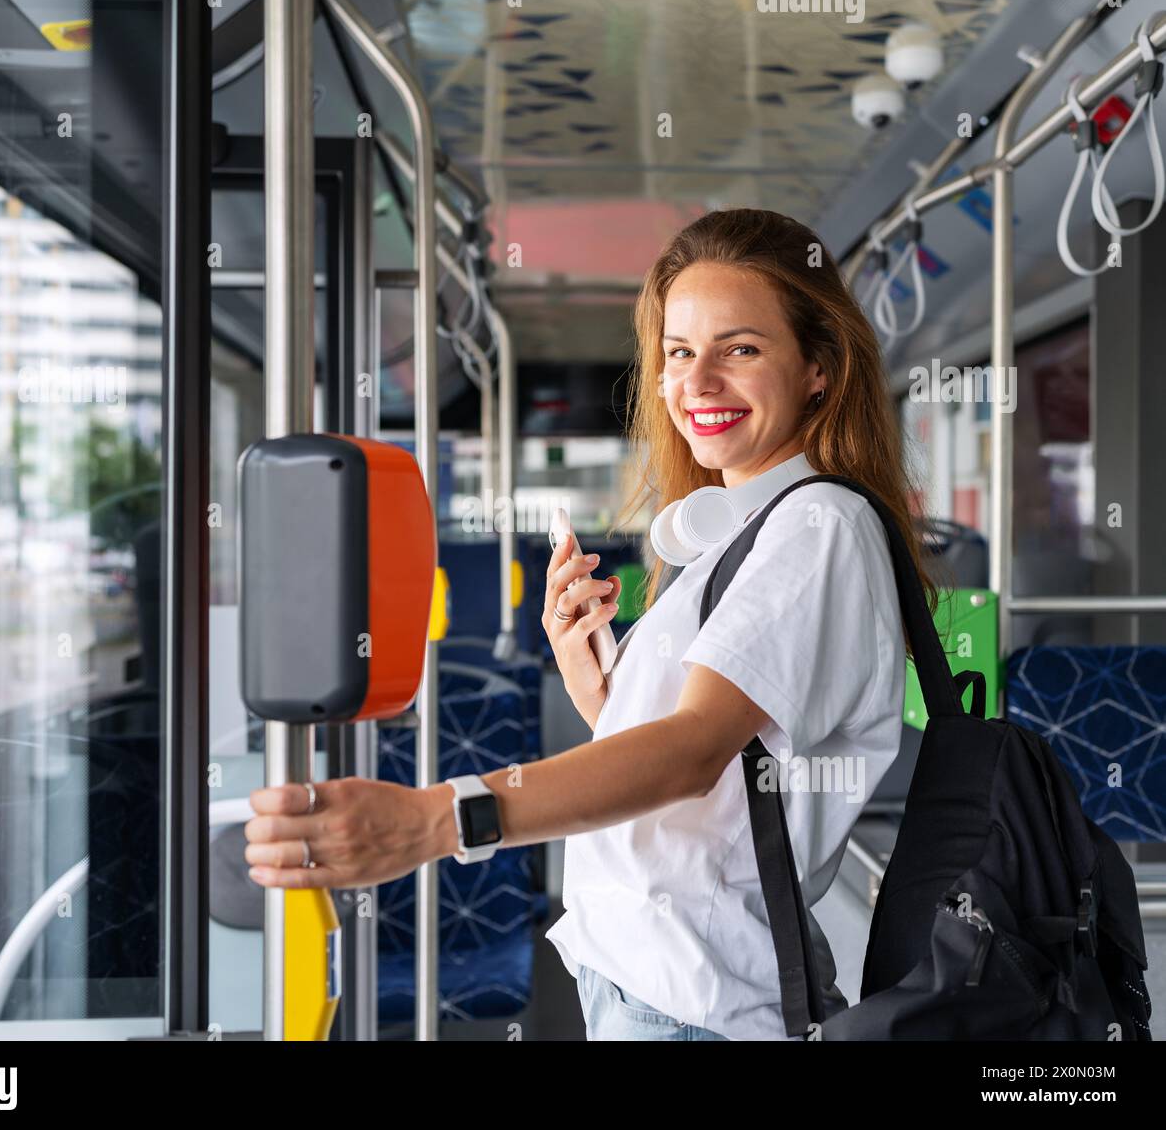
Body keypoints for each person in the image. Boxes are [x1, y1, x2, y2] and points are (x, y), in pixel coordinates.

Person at [244, 208, 936, 1040]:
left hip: (695, 1007)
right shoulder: (744, 534)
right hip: (648, 983)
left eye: (740, 349)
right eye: (679, 352)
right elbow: (715, 786)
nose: (698, 382)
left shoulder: (818, 526)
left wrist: (436, 818)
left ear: (819, 368)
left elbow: (689, 755)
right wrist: (598, 689)